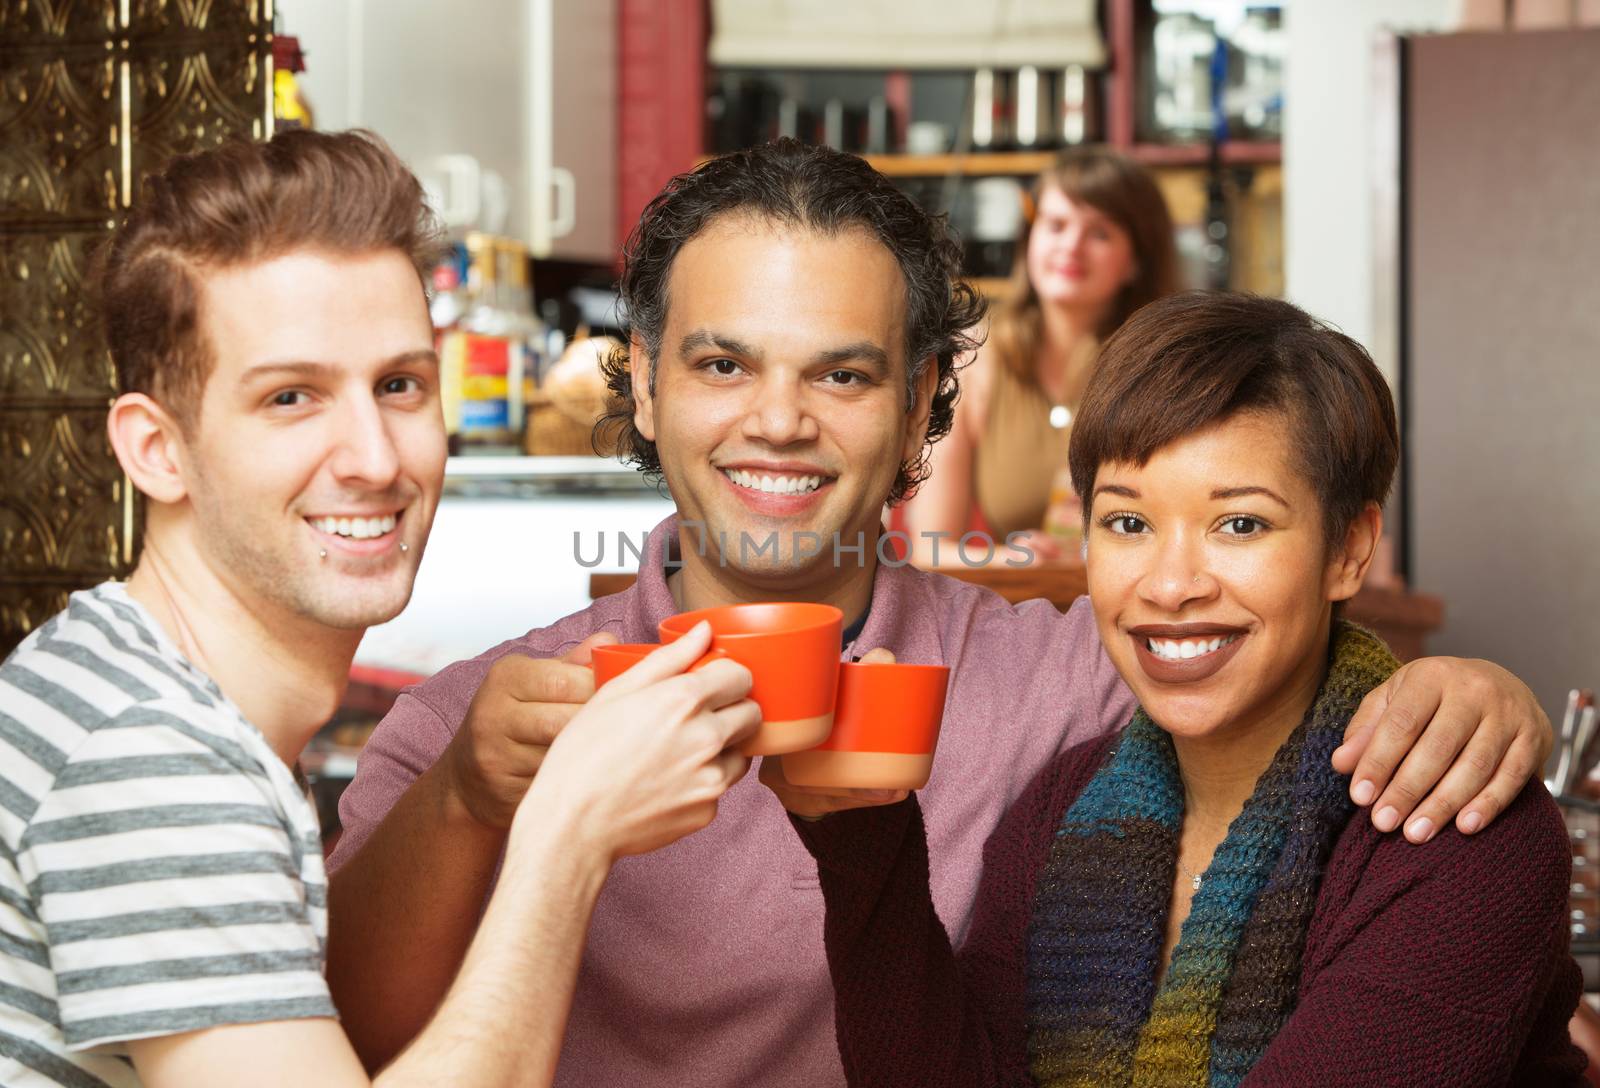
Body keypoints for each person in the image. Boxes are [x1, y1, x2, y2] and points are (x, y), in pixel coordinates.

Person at [325, 138, 1555, 1087]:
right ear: (642, 380)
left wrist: (1466, 691)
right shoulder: (477, 721)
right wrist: (471, 798)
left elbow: (1263, 674)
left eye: (843, 372)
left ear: (922, 404)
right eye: (721, 363)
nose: (779, 419)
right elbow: (351, 1043)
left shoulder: (1060, 682)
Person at [0, 130, 759, 1088]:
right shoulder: (150, 755)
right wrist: (568, 834)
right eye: (290, 397)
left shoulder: (135, 686)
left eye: (399, 385)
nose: (374, 457)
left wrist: (473, 793)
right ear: (156, 449)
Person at [785, 292, 1585, 1086]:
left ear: (1348, 549)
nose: (1169, 586)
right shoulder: (1058, 810)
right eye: (1128, 523)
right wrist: (861, 832)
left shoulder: (1457, 829)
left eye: (1240, 524)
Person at [903, 147, 1178, 566]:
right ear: (1028, 239)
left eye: (1099, 233)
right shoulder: (970, 360)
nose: (1071, 246)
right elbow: (929, 551)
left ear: (1136, 262)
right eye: (1055, 225)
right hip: (1018, 611)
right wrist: (1014, 561)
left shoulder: (1168, 369)